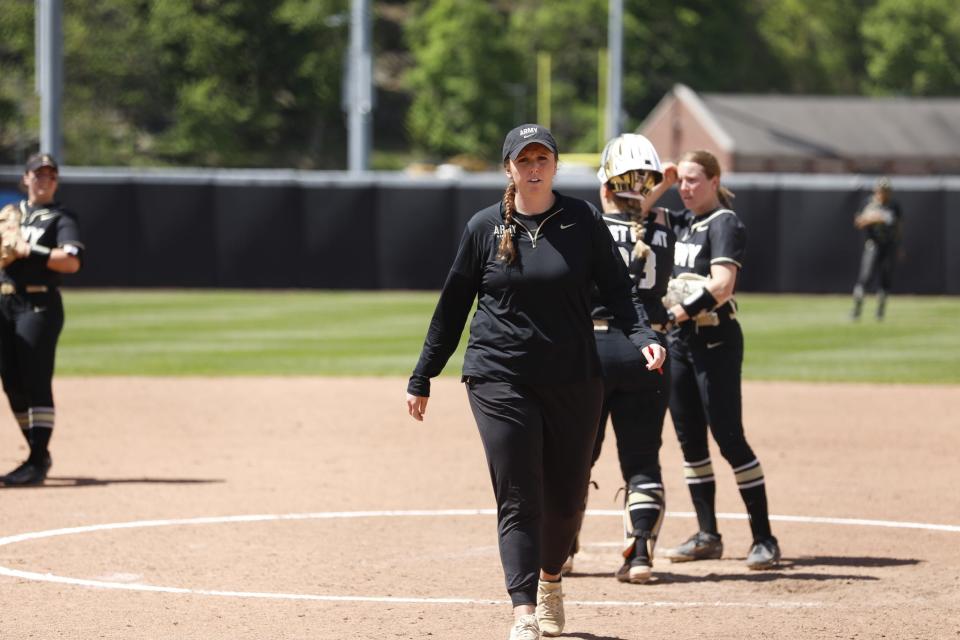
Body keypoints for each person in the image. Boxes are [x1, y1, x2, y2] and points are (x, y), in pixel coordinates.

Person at [405, 124, 666, 640]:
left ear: (554, 164)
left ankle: (551, 581)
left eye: (542, 158)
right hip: (498, 376)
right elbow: (453, 306)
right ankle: (524, 609)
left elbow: (618, 290)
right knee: (520, 492)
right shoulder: (484, 227)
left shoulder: (581, 221)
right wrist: (423, 375)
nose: (533, 167)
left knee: (566, 498)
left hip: (573, 376)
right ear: (509, 168)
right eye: (523, 160)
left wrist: (643, 336)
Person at [561, 134, 677, 585]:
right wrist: (655, 185)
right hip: (648, 351)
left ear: (605, 186)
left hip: (591, 350)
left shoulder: (585, 228)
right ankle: (641, 555)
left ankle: (563, 549)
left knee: (574, 458)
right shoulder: (666, 225)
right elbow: (642, 210)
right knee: (643, 460)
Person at [660, 149, 781, 570]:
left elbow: (724, 284)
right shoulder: (680, 222)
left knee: (729, 437)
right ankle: (707, 534)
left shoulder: (723, 222)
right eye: (682, 181)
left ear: (714, 181)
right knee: (690, 441)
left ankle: (764, 538)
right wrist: (663, 180)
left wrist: (675, 313)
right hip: (680, 345)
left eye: (694, 179)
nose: (686, 188)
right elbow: (634, 213)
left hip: (716, 341)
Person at [0, 153, 83, 486]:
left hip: (39, 303)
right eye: (38, 174)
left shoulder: (61, 218)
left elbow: (71, 261)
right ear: (26, 179)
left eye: (50, 175)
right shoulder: (11, 215)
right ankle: (38, 452)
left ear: (56, 182)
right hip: (5, 301)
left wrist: (28, 250)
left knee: (35, 378)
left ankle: (36, 459)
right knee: (11, 382)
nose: (43, 180)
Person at [850, 177, 902, 321]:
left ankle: (880, 312)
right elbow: (858, 222)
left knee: (885, 279)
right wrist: (873, 218)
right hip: (873, 244)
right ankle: (856, 310)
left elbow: (898, 226)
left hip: (889, 245)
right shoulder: (868, 203)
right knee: (865, 277)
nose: (884, 193)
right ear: (876, 190)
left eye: (886, 191)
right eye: (881, 190)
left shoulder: (893, 206)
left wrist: (898, 246)